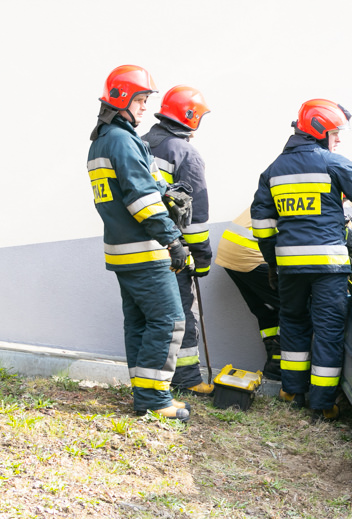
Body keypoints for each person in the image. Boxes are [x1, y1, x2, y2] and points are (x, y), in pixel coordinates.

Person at [251, 99, 352, 421]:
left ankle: (292, 390)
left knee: (293, 325)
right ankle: (322, 404)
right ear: (318, 131)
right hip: (328, 266)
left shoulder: (272, 170)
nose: (339, 139)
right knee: (328, 330)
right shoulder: (334, 163)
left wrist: (273, 264)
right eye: (335, 132)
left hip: (289, 267)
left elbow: (262, 226)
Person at [87, 65, 190, 421]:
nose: (146, 107)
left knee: (141, 323)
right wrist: (173, 239)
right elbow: (139, 198)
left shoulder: (103, 140)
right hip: (145, 251)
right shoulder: (122, 139)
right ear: (122, 100)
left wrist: (167, 191)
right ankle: (156, 399)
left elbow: (135, 187)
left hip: (121, 251)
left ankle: (143, 393)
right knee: (169, 320)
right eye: (142, 99)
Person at [142, 86, 213, 395]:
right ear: (191, 118)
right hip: (175, 250)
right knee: (181, 312)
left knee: (147, 316)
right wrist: (203, 258)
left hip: (138, 245)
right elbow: (196, 216)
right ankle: (187, 380)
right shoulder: (186, 154)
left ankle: (153, 377)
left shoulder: (141, 143)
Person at [214, 208, 282, 381]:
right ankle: (279, 365)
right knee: (295, 307)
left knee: (267, 310)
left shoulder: (279, 184)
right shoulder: (318, 194)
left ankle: (274, 366)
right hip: (251, 253)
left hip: (231, 251)